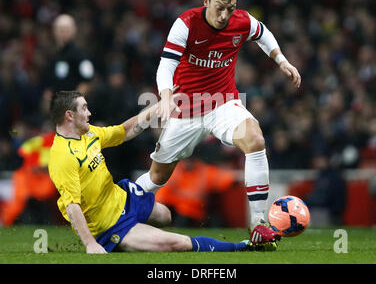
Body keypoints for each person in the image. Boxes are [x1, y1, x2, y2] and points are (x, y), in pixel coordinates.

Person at [135, 0, 300, 246]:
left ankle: (258, 223)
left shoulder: (242, 21)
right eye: (219, 7)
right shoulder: (186, 23)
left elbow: (263, 33)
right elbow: (166, 65)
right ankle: (114, 213)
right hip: (185, 108)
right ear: (206, 1)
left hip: (222, 103)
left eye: (230, 9)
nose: (224, 15)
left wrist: (280, 60)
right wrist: (165, 96)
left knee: (256, 140)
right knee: (157, 177)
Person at [48, 91, 265, 253]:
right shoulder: (62, 157)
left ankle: (139, 236)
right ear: (69, 115)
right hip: (109, 225)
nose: (89, 113)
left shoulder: (88, 134)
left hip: (121, 198)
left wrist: (158, 107)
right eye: (84, 108)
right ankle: (244, 247)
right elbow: (72, 205)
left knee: (165, 215)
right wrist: (90, 244)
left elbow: (123, 132)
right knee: (176, 243)